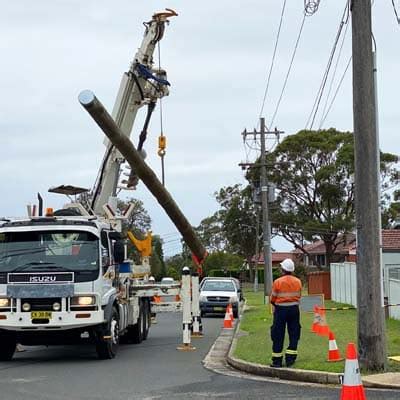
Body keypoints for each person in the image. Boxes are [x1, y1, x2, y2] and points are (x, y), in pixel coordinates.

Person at [270, 258, 302, 368]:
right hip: (294, 309)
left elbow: (273, 298)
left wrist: (275, 304)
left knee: (278, 334)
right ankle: (290, 359)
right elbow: (299, 296)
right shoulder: (298, 281)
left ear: (283, 269)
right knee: (294, 333)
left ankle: (277, 361)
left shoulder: (278, 282)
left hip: (280, 310)